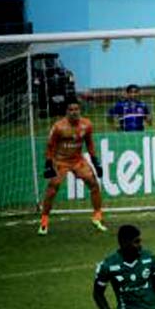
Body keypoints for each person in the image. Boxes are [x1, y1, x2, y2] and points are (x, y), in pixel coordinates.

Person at [38, 100, 106, 235]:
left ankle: (97, 217)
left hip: (78, 160)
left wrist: (95, 161)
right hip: (60, 161)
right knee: (52, 188)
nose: (74, 112)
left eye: (76, 109)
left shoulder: (86, 125)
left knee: (94, 184)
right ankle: (44, 221)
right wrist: (48, 164)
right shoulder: (58, 126)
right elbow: (50, 145)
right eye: (71, 109)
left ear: (80, 111)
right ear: (66, 112)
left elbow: (90, 144)